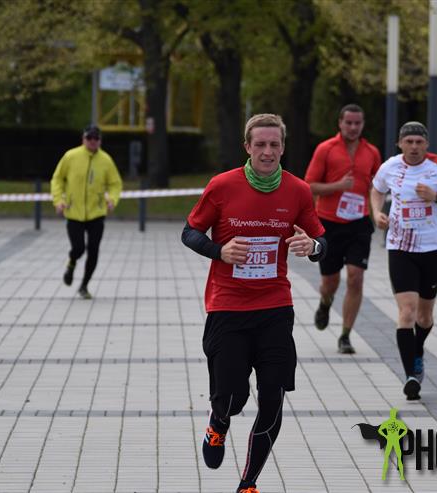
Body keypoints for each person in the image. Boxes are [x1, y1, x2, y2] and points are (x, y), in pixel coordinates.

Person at [181, 114, 326, 493]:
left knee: (273, 397)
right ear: (247, 147)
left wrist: (312, 246)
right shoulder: (222, 186)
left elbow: (320, 241)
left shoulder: (297, 190)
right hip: (228, 308)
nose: (267, 151)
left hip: (275, 308)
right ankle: (219, 423)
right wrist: (220, 251)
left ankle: (249, 483)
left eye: (274, 144)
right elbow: (190, 232)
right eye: (260, 144)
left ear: (283, 147)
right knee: (232, 397)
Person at [370, 121, 437, 400]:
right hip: (400, 247)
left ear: (426, 144)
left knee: (424, 317)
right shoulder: (390, 166)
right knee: (407, 312)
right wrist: (377, 213)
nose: (414, 147)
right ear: (400, 144)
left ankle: (418, 349)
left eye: (419, 142)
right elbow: (376, 190)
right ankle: (411, 375)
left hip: (432, 247)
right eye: (409, 142)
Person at [304, 104, 381, 353]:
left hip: (359, 223)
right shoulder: (326, 149)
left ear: (363, 124)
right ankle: (325, 303)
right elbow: (309, 185)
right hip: (328, 222)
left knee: (356, 277)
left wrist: (377, 206)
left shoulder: (371, 152)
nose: (353, 127)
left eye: (358, 123)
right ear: (340, 123)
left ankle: (346, 335)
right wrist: (337, 186)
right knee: (330, 281)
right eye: (349, 123)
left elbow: (378, 186)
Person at [50, 125, 122, 300]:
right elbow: (57, 179)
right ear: (83, 139)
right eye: (89, 138)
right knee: (78, 248)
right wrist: (58, 200)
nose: (92, 141)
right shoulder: (71, 156)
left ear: (100, 141)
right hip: (74, 211)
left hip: (96, 212)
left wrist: (112, 199)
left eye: (96, 138)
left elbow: (115, 183)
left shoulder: (106, 160)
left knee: (93, 250)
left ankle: (84, 285)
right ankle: (71, 262)